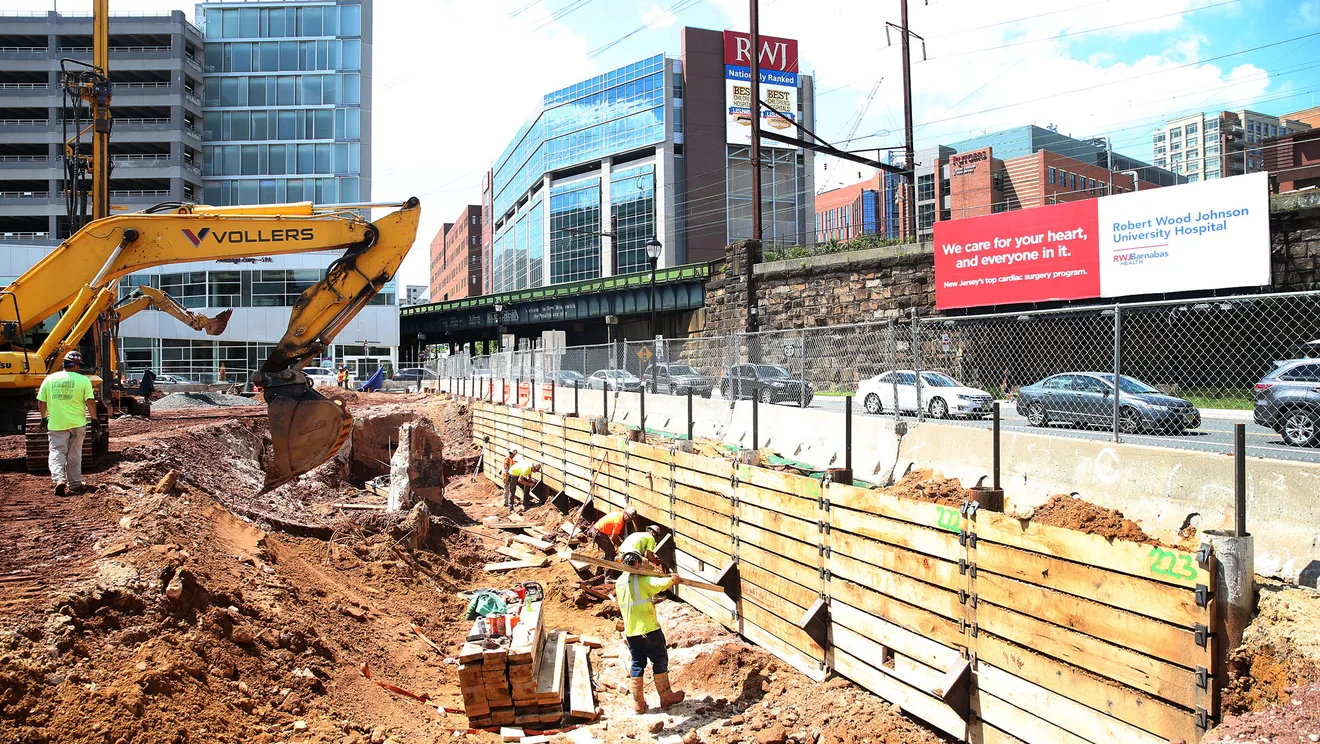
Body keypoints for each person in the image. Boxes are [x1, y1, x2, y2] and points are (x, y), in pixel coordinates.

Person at [616, 550, 686, 713]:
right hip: (649, 629)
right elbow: (658, 584)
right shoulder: (642, 581)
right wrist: (672, 579)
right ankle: (666, 696)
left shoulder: (619, 582)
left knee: (637, 663)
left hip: (631, 631)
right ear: (638, 564)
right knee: (660, 660)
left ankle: (638, 704)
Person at [36, 350, 98, 497]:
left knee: (57, 452)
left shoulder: (50, 379)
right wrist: (94, 419)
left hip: (56, 423)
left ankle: (59, 480)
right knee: (74, 454)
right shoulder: (84, 380)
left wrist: (44, 417)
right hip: (77, 423)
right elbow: (90, 401)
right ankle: (75, 484)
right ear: (76, 366)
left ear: (64, 363)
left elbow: (41, 402)